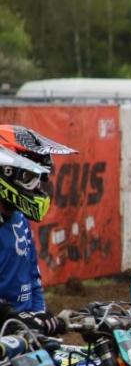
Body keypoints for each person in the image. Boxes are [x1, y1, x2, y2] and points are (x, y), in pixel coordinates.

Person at [0, 126, 75, 315]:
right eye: (28, 177)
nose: (36, 187)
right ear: (5, 172)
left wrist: (39, 316)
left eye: (38, 178)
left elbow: (33, 276)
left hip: (22, 324)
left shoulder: (18, 218)